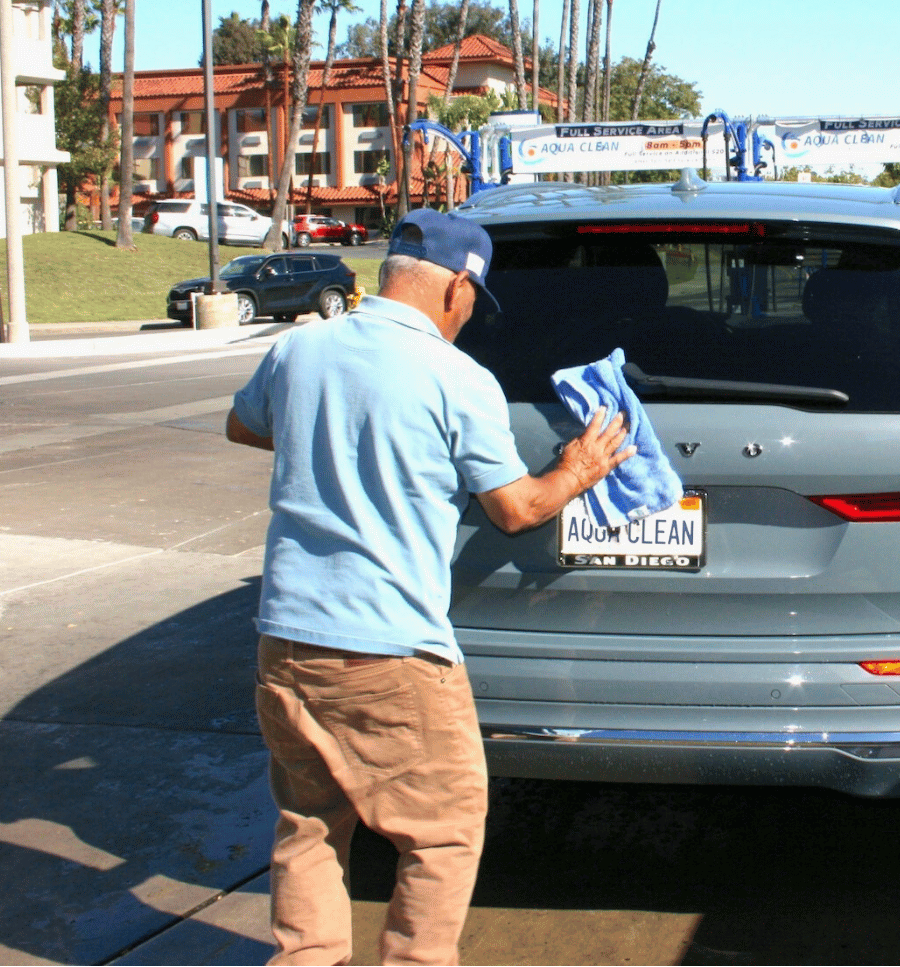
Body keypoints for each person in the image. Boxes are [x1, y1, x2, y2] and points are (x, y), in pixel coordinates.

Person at [227, 208, 633, 965]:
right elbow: (517, 510)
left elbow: (242, 425)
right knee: (443, 832)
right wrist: (578, 469)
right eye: (475, 301)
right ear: (458, 289)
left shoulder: (301, 350)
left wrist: (337, 433)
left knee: (310, 825)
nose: (471, 315)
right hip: (389, 651)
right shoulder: (455, 378)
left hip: (285, 640)